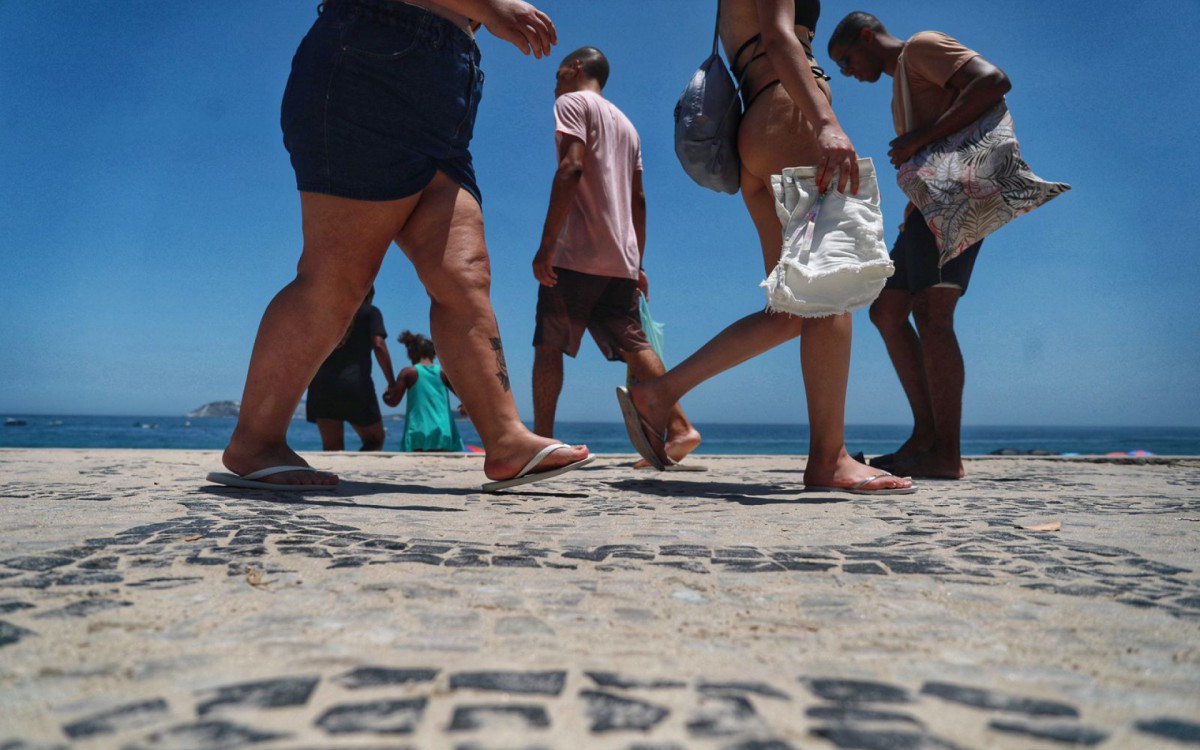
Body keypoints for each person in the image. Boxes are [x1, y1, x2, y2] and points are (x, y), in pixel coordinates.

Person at [208, 0, 593, 493]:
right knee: (337, 278)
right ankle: (255, 440)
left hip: (447, 83)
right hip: (373, 60)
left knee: (464, 272)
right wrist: (490, 7)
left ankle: (506, 439)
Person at [616, 0, 913, 495]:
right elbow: (779, 36)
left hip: (755, 128)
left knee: (791, 311)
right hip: (789, 114)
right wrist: (824, 121)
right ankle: (829, 459)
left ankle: (659, 395)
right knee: (831, 293)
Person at [827, 12, 1011, 479]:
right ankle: (925, 437)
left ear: (868, 37)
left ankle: (946, 453)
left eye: (846, 60)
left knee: (933, 313)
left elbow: (993, 81)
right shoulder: (903, 82)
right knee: (887, 311)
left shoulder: (922, 46)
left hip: (958, 197)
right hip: (924, 210)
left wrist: (919, 139)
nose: (848, 73)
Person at [531, 46, 701, 467]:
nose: (554, 84)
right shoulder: (627, 125)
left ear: (574, 69)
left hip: (576, 251)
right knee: (633, 342)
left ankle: (540, 444)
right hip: (620, 257)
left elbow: (570, 168)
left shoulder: (570, 103)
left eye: (557, 73)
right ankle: (680, 428)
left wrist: (547, 245)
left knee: (549, 344)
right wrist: (637, 262)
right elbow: (638, 200)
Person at [306, 288, 396, 451]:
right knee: (375, 439)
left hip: (321, 385)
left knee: (332, 448)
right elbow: (379, 345)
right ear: (369, 295)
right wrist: (391, 382)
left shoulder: (328, 313)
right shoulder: (370, 312)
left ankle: (334, 476)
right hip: (355, 384)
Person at [385, 331, 465, 452]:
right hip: (443, 431)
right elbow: (464, 396)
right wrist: (465, 407)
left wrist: (387, 393)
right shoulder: (444, 372)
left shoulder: (408, 373)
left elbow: (393, 402)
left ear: (411, 355)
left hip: (417, 433)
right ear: (433, 354)